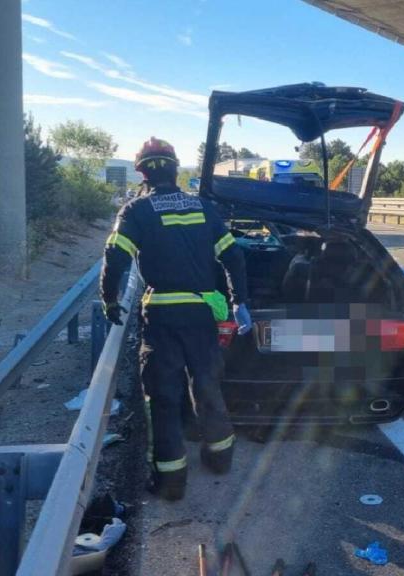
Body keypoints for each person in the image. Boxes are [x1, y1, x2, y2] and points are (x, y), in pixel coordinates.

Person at [100, 137, 251, 501]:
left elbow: (115, 257)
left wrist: (109, 299)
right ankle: (220, 459)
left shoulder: (137, 211)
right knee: (207, 385)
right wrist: (238, 301)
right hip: (200, 314)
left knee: (164, 397)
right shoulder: (202, 208)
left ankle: (171, 481)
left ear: (142, 172)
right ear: (174, 168)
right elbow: (233, 257)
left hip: (162, 317)